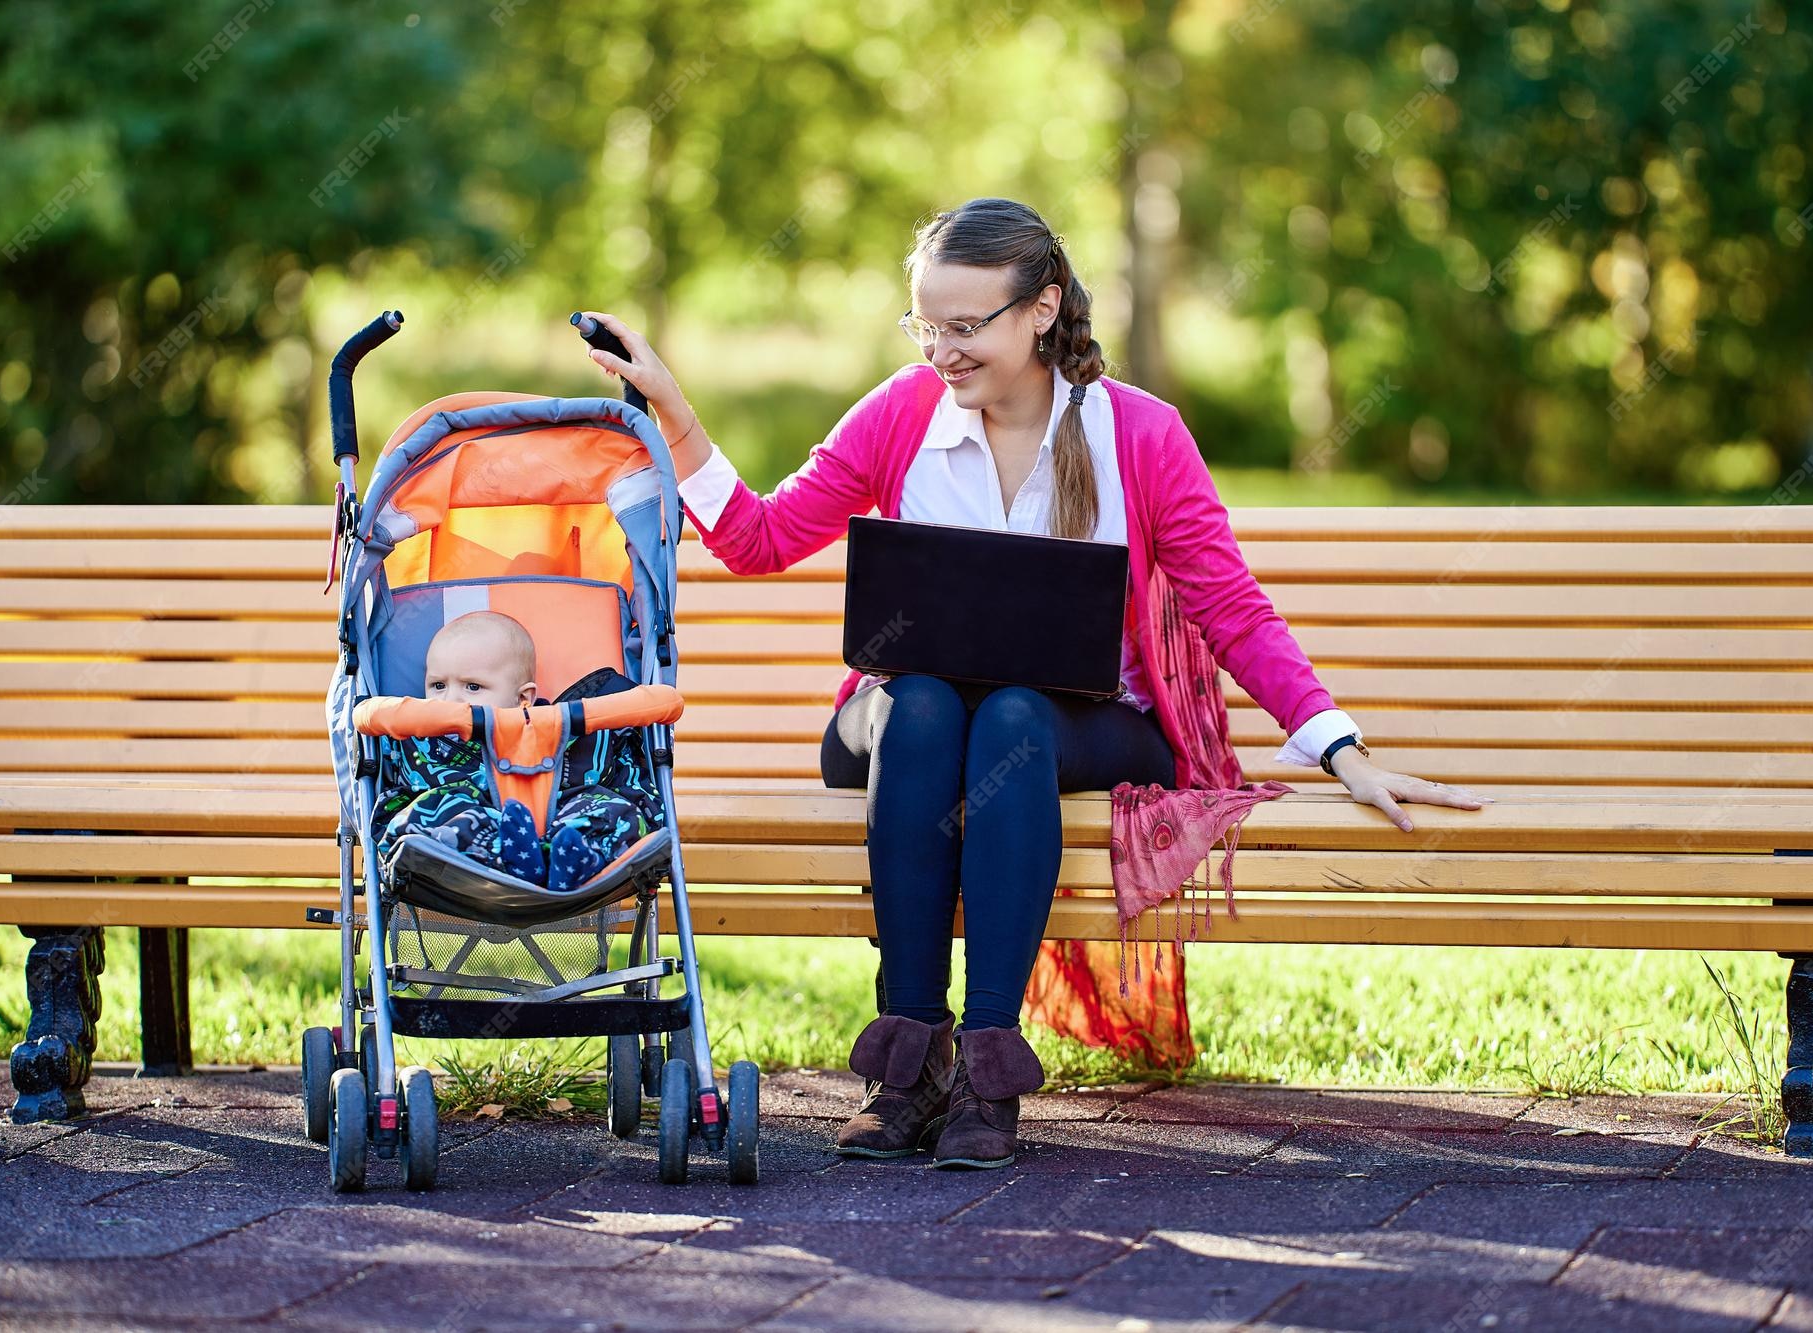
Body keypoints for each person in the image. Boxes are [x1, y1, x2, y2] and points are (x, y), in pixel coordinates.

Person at [576, 197, 1493, 1170]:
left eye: (965, 326)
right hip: (905, 728)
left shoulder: (1135, 434)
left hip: (1079, 724)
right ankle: (909, 1060)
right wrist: (676, 418)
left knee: (1010, 714)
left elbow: (1229, 606)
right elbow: (763, 540)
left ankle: (983, 1070)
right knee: (928, 701)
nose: (940, 350)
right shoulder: (899, 414)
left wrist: (1338, 748)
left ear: (1041, 309)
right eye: (924, 324)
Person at [357, 611, 680, 892]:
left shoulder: (562, 730)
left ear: (523, 698)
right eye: (438, 685)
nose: (449, 701)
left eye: (472, 687)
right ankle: (510, 854)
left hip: (561, 812)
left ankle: (573, 856)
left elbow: (665, 704)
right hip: (473, 839)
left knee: (615, 810)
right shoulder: (423, 736)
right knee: (429, 814)